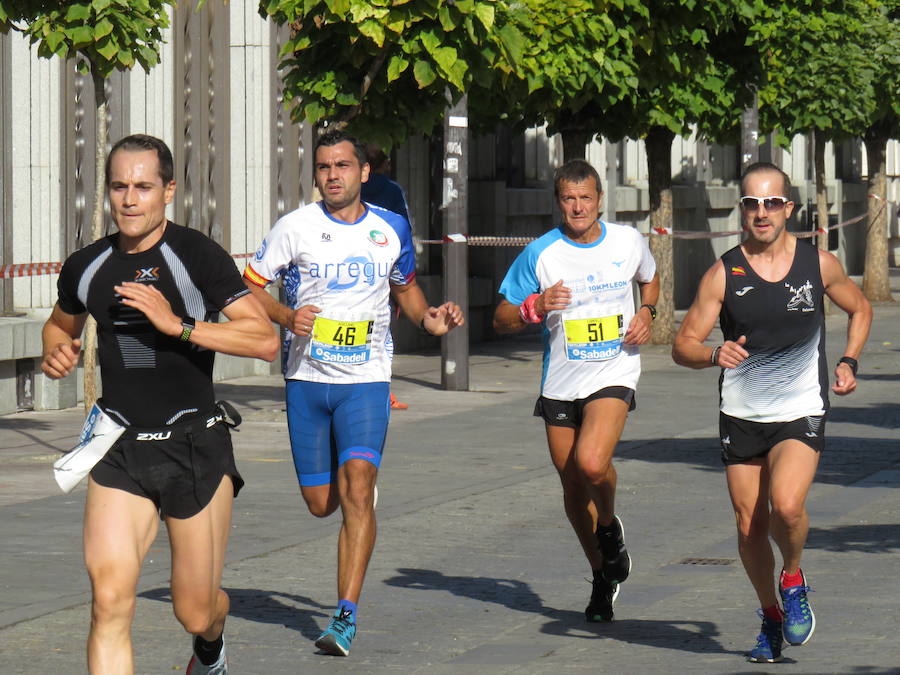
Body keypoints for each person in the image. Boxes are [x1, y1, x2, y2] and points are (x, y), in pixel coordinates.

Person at [41, 134, 279, 674]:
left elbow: (263, 339)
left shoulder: (195, 255)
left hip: (193, 444)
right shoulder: (88, 265)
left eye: (144, 187)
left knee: (195, 610)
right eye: (119, 186)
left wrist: (179, 326)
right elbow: (60, 324)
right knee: (108, 602)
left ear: (168, 191)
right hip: (119, 446)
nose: (130, 199)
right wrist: (57, 351)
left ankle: (212, 646)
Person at [242, 129, 464, 657]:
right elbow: (249, 285)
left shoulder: (391, 230)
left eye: (343, 165)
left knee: (358, 487)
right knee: (322, 505)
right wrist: (285, 316)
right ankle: (350, 492)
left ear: (364, 172)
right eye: (324, 167)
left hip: (366, 380)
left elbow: (406, 291)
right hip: (307, 382)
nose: (333, 175)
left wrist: (430, 320)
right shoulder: (294, 227)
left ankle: (344, 616)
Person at [672, 162, 872, 663]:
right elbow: (683, 345)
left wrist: (848, 361)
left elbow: (861, 308)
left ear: (788, 208)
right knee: (748, 526)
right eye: (751, 203)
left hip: (800, 408)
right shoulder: (723, 272)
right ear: (742, 210)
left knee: (785, 506)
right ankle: (770, 614)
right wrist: (714, 354)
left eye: (770, 202)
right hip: (741, 412)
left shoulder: (817, 265)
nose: (761, 212)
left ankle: (793, 575)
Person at [493, 159, 659, 623]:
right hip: (560, 380)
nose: (578, 207)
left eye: (586, 197)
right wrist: (534, 307)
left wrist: (647, 313)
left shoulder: (628, 241)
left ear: (600, 200)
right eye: (569, 198)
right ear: (558, 202)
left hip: (614, 370)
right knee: (571, 485)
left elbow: (651, 279)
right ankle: (602, 573)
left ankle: (609, 526)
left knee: (591, 462)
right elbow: (500, 318)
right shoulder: (541, 253)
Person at [361, 143, 411, 410]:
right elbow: (404, 229)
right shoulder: (392, 190)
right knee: (382, 333)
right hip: (382, 268)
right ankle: (383, 391)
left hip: (348, 271)